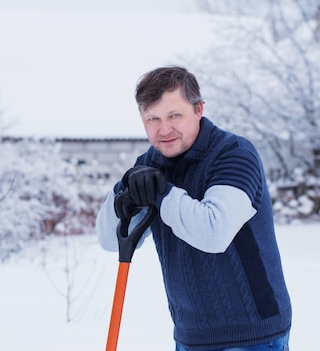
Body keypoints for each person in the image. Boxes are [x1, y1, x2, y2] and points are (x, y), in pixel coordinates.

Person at [96, 66, 291, 351]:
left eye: (175, 115)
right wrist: (123, 199)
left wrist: (162, 192)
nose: (164, 130)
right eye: (153, 119)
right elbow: (110, 240)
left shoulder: (234, 154)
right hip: (190, 336)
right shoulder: (149, 164)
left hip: (251, 336)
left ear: (198, 109)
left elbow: (214, 232)